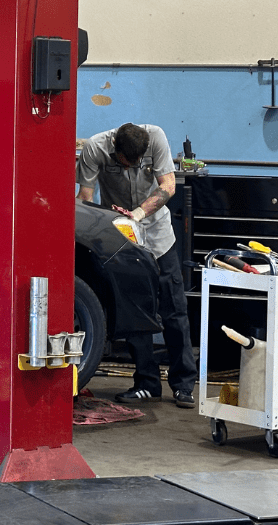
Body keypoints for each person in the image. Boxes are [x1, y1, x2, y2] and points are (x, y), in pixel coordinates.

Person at [76, 123, 198, 408]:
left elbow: (167, 185)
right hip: (123, 239)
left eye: (136, 164)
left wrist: (139, 213)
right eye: (124, 163)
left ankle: (183, 384)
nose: (130, 168)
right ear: (115, 148)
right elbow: (84, 197)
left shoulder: (156, 138)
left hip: (157, 234)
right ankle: (147, 383)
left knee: (174, 309)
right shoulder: (95, 148)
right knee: (135, 311)